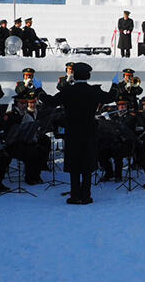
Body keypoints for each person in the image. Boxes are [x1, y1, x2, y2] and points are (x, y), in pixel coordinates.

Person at [42, 62, 117, 204]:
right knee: (87, 163)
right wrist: (115, 85)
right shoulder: (94, 91)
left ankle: (75, 195)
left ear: (74, 75)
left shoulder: (68, 91)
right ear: (88, 76)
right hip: (89, 131)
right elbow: (109, 98)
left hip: (72, 132)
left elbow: (50, 101)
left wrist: (39, 90)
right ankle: (86, 195)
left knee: (74, 164)